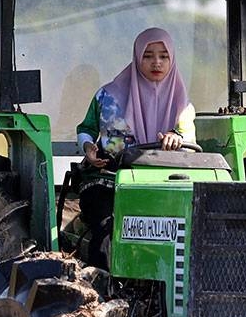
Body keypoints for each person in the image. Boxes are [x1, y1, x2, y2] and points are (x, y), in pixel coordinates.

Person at [74, 27, 196, 267]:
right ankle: (102, 294)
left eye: (163, 56)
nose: (156, 63)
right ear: (137, 56)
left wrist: (175, 138)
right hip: (109, 181)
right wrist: (88, 147)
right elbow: (86, 128)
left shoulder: (183, 106)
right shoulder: (106, 97)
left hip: (163, 186)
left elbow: (187, 138)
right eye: (148, 55)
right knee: (107, 230)